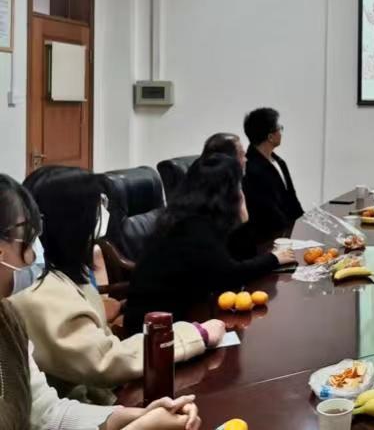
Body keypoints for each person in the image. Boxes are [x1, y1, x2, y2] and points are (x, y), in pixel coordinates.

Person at [0, 174, 201, 430]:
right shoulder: (36, 298)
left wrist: (134, 416)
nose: (34, 250)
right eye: (25, 235)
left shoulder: (8, 319)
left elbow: (48, 413)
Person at [124, 154, 296, 336]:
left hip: (182, 313)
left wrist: (242, 222)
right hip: (157, 333)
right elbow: (230, 275)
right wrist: (273, 258)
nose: (242, 192)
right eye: (238, 186)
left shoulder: (192, 215)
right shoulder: (195, 228)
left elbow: (241, 255)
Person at [242, 108, 303, 242]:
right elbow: (267, 211)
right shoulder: (251, 168)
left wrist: (303, 223)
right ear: (270, 137)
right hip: (268, 238)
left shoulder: (279, 162)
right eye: (279, 129)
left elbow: (292, 198)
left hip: (289, 232)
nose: (281, 132)